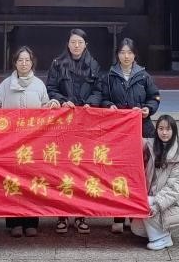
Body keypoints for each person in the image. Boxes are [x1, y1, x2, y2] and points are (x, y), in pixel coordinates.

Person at [0, 46, 59, 237]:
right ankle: (14, 223)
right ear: (15, 63)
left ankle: (31, 222)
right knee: (12, 182)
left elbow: (45, 107)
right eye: (20, 60)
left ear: (32, 63)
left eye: (27, 60)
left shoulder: (39, 85)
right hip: (11, 143)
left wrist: (53, 105)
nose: (24, 63)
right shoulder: (6, 84)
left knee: (33, 182)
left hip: (34, 143)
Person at [90, 37, 161, 234]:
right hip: (117, 132)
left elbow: (154, 97)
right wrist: (109, 106)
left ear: (135, 55)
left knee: (138, 173)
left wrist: (148, 109)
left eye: (129, 53)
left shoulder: (144, 76)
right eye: (122, 53)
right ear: (117, 55)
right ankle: (118, 216)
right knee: (117, 173)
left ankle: (134, 215)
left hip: (141, 129)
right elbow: (103, 98)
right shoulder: (109, 76)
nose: (126, 56)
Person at [45, 28, 100, 234]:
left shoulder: (94, 65)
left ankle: (80, 215)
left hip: (85, 122)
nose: (76, 45)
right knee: (63, 169)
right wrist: (62, 101)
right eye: (73, 42)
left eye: (80, 42)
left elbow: (99, 90)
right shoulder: (57, 64)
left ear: (86, 45)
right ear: (68, 44)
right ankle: (61, 215)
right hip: (64, 122)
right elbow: (50, 89)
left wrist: (90, 103)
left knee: (83, 169)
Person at [131, 114, 179, 251]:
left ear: (174, 131)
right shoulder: (152, 145)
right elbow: (132, 141)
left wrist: (157, 204)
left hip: (172, 202)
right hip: (154, 195)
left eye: (168, 129)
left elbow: (175, 187)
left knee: (144, 204)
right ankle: (160, 232)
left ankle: (162, 238)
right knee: (137, 224)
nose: (164, 132)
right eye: (161, 128)